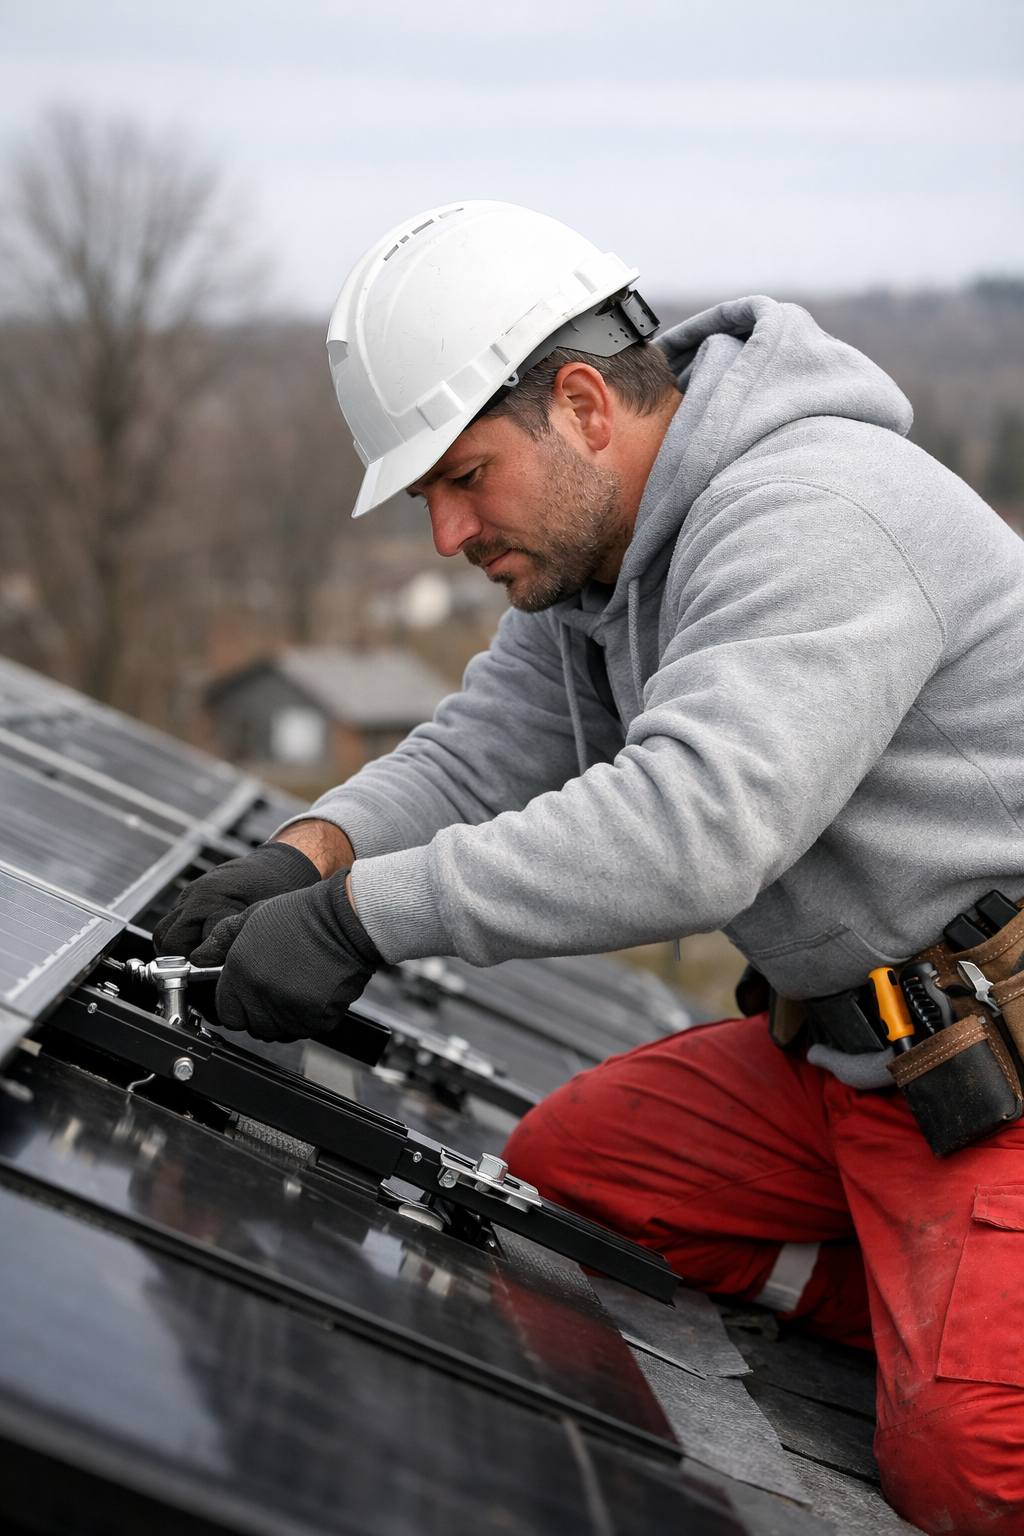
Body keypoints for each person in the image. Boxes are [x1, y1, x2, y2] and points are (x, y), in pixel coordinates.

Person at [156, 202, 1024, 1532]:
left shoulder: (811, 513)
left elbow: (694, 826)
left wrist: (362, 920)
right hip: (868, 1067)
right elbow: (477, 751)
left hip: (1000, 1067)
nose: (447, 536)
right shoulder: (603, 558)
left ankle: (959, 1346)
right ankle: (936, 1297)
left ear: (580, 404)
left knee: (968, 1466)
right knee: (585, 1176)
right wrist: (301, 855)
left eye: (463, 478)